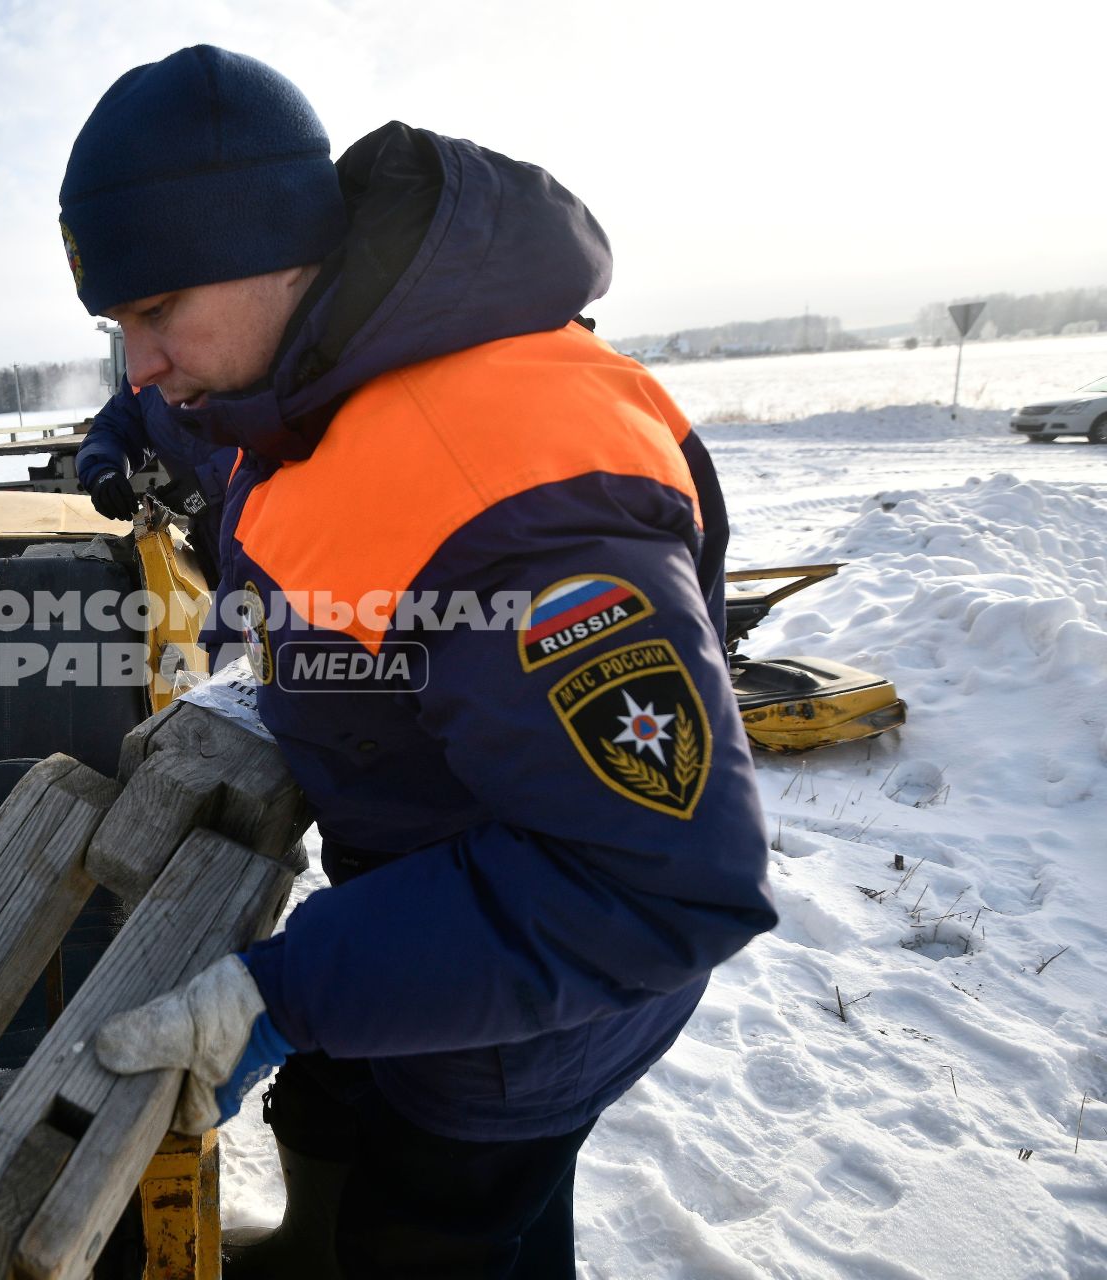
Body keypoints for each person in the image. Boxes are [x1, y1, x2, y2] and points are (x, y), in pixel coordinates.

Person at [66, 47, 777, 1277]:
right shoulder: (304, 359)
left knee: (445, 1221)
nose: (139, 361)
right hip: (425, 900)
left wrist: (283, 993)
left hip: (541, 992)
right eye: (115, 324)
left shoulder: (514, 493)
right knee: (339, 1116)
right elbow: (198, 421)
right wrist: (118, 444)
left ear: (268, 250)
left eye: (152, 315)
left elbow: (657, 879)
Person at [76, 382, 238, 586]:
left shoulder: (251, 354)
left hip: (274, 540)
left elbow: (284, 434)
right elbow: (116, 427)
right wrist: (102, 471)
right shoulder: (147, 378)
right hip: (215, 549)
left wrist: (211, 482)